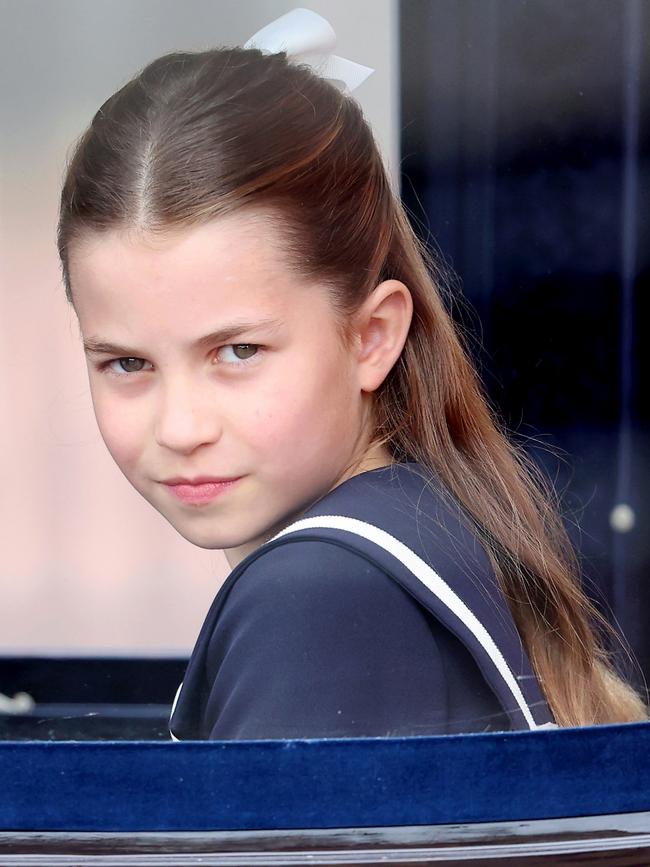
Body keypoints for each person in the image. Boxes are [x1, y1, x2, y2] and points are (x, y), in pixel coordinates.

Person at [57, 10, 647, 740]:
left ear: (372, 336)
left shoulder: (316, 597)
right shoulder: (434, 519)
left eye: (238, 351)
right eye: (127, 363)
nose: (180, 427)